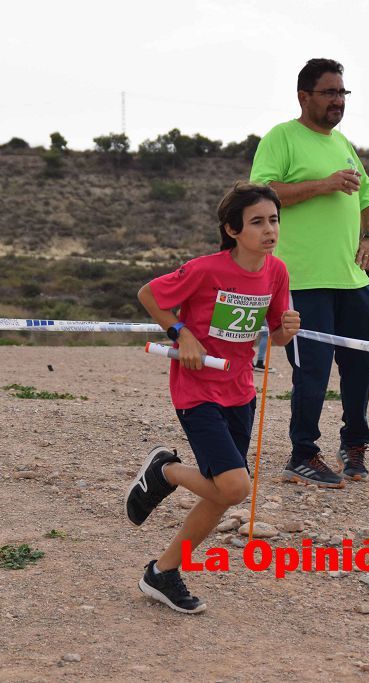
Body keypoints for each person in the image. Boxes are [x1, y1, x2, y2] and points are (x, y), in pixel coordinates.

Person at [126, 183, 300, 614]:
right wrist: (180, 332)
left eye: (273, 220)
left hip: (240, 391)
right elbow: (149, 295)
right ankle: (165, 470)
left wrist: (287, 329)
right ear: (232, 229)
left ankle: (162, 573)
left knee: (221, 494)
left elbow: (274, 334)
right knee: (235, 487)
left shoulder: (277, 272)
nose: (269, 229)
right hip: (197, 389)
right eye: (257, 221)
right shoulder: (206, 269)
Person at [250, 57, 369, 486]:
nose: (337, 101)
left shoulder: (343, 142)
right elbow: (262, 195)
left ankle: (354, 443)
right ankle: (302, 455)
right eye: (329, 92)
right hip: (303, 281)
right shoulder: (282, 138)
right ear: (304, 96)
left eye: (342, 93)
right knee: (314, 371)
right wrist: (323, 184)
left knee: (361, 365)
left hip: (353, 279)